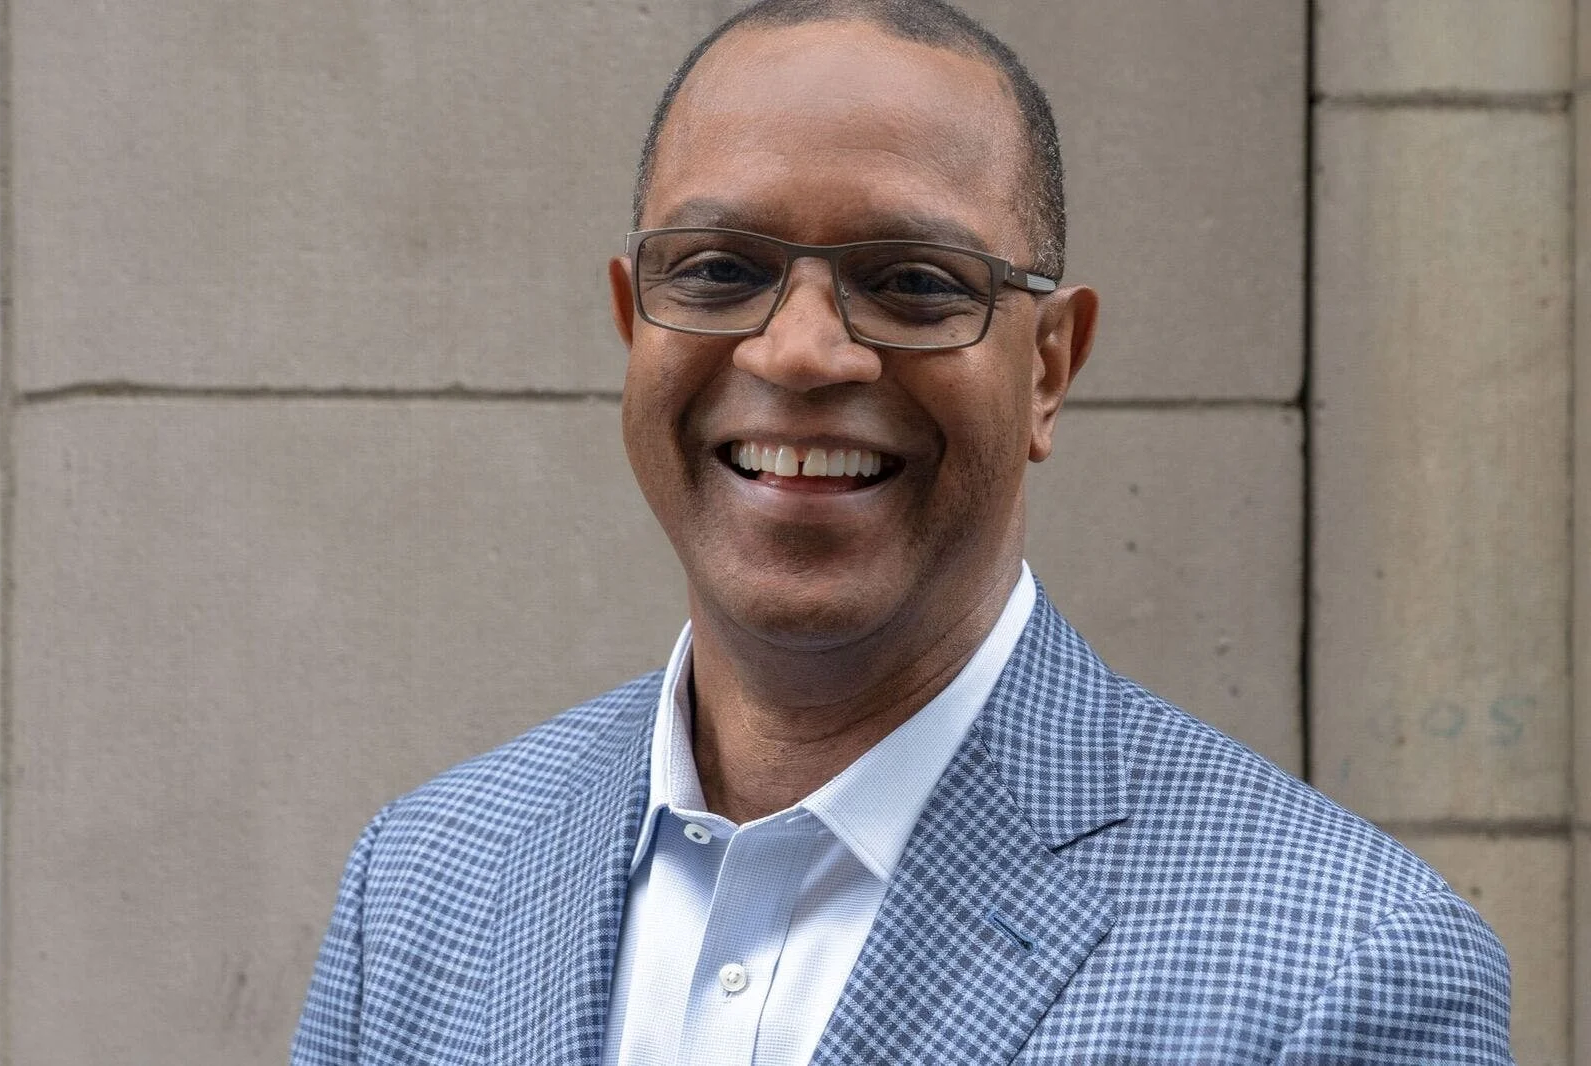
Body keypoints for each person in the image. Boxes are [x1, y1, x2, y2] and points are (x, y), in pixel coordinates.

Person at [292, 1, 1513, 1062]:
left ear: (1048, 368)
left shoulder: (1347, 967)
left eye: (914, 282)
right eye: (718, 270)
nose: (799, 352)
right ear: (632, 323)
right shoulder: (422, 882)